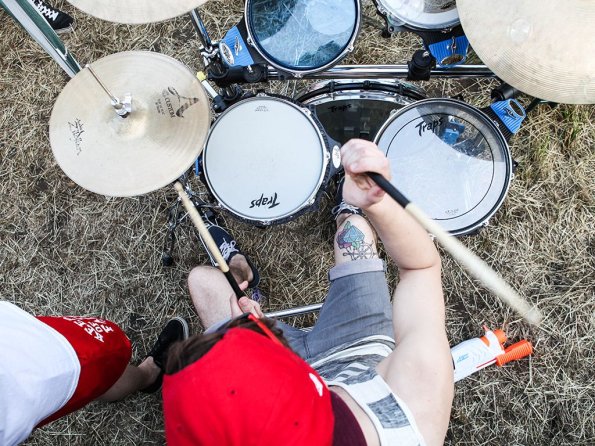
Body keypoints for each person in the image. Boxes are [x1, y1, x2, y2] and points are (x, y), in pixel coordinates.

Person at [163, 139, 454, 445]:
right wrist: (377, 203)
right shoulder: (412, 406)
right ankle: (347, 209)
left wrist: (246, 331)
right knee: (354, 229)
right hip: (360, 348)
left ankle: (240, 269)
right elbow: (419, 268)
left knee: (202, 281)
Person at [0, 302, 188, 446]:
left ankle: (101, 387)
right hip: (16, 379)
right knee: (97, 359)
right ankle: (149, 376)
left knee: (89, 375)